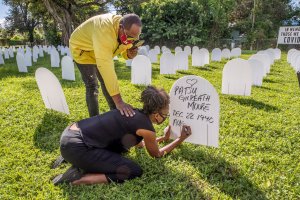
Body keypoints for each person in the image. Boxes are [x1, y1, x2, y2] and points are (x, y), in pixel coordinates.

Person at [52, 86, 192, 185]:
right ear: (156, 115)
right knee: (134, 170)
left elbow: (140, 145)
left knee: (118, 151)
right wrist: (180, 139)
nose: (166, 117)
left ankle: (74, 159)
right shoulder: (147, 128)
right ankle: (81, 179)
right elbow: (157, 154)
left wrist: (163, 138)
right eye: (165, 115)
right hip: (77, 147)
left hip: (71, 133)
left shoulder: (134, 112)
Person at [69, 13, 142, 117]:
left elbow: (122, 50)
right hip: (82, 49)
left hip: (97, 48)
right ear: (121, 27)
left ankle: (116, 113)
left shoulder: (127, 34)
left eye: (135, 39)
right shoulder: (104, 30)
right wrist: (119, 101)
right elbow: (106, 68)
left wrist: (129, 54)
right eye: (130, 38)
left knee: (105, 82)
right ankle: (94, 120)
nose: (131, 41)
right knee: (92, 85)